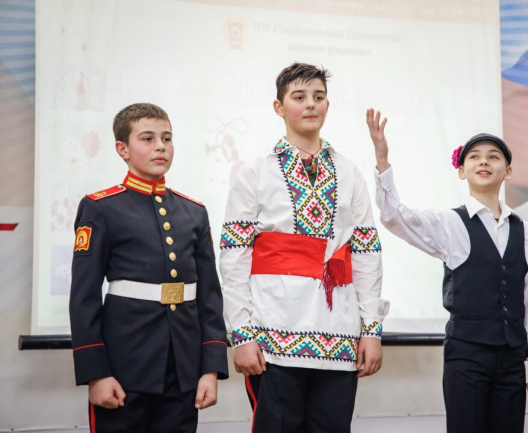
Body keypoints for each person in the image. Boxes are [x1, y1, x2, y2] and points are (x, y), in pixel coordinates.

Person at [220, 63, 389, 433]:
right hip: (273, 335)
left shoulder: (349, 172)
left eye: (318, 96)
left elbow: (366, 255)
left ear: (328, 105)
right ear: (279, 107)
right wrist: (241, 334)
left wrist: (372, 330)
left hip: (340, 336)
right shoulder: (256, 171)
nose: (311, 104)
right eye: (299, 97)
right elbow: (234, 257)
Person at [367, 109, 528, 433]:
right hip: (466, 357)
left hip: (511, 360)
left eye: (493, 156)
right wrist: (382, 160)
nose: (484, 161)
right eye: (474, 156)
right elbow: (395, 217)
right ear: (462, 170)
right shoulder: (450, 223)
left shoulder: (525, 230)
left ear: (507, 171)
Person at [69, 103, 229, 432]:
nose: (160, 146)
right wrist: (96, 374)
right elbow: (84, 298)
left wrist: (210, 368)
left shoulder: (194, 212)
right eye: (147, 138)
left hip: (183, 368)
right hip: (124, 368)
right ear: (122, 149)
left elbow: (210, 298)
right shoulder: (101, 208)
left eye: (167, 138)